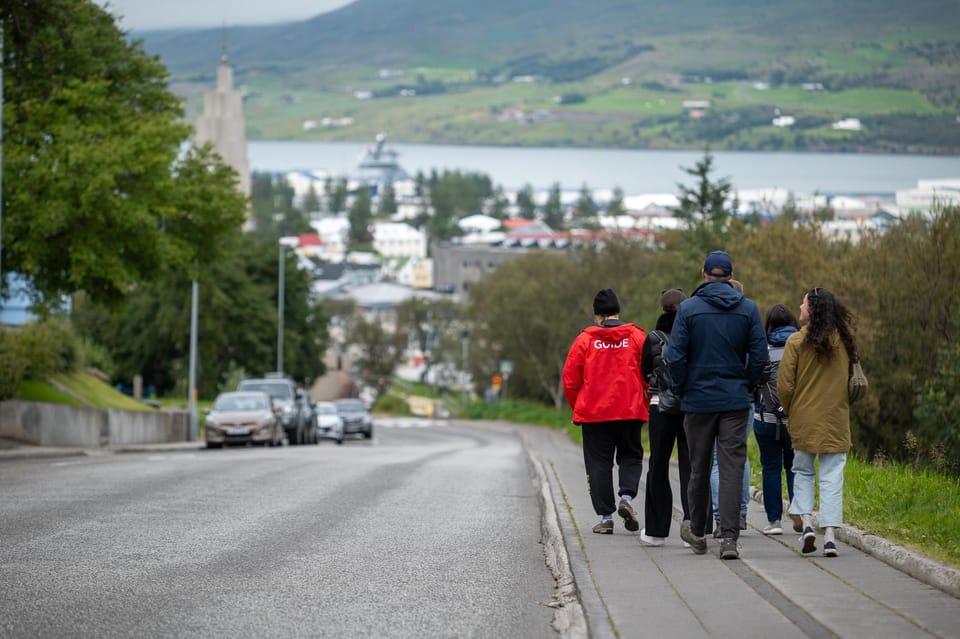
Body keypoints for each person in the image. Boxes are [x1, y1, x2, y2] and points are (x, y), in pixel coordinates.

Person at [666, 251, 767, 559]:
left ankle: (698, 532)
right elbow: (760, 358)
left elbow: (675, 357)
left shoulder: (687, 309)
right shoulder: (748, 309)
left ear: (704, 273)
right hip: (735, 400)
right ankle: (729, 538)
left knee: (698, 466)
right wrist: (746, 385)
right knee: (732, 466)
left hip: (698, 401)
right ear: (731, 274)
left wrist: (681, 389)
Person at [779, 287, 859, 557]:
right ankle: (831, 537)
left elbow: (786, 387)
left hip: (804, 419)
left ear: (811, 309)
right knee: (832, 477)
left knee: (802, 471)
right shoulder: (845, 342)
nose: (799, 308)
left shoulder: (795, 342)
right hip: (836, 418)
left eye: (802, 304)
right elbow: (852, 382)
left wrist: (791, 411)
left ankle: (808, 526)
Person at [562, 288, 649, 535]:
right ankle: (627, 498)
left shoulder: (585, 340)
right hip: (630, 410)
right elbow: (649, 373)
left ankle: (606, 517)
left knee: (598, 464)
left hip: (595, 414)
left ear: (597, 316)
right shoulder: (636, 337)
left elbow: (570, 380)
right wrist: (647, 399)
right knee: (631, 456)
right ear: (617, 311)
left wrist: (578, 405)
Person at [638, 288, 690, 546]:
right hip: (691, 407)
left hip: (660, 406)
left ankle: (656, 532)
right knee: (692, 467)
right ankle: (695, 527)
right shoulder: (694, 334)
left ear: (662, 310)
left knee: (658, 466)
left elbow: (644, 372)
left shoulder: (653, 338)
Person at [709, 279, 751, 536]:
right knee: (738, 455)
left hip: (714, 395)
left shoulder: (712, 324)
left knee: (715, 460)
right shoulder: (747, 321)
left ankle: (719, 516)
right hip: (744, 397)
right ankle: (741, 512)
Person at [753, 304, 800, 535]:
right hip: (797, 419)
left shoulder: (761, 347)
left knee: (770, 468)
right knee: (795, 467)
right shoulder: (802, 346)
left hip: (765, 417)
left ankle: (774, 522)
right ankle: (799, 512)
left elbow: (751, 378)